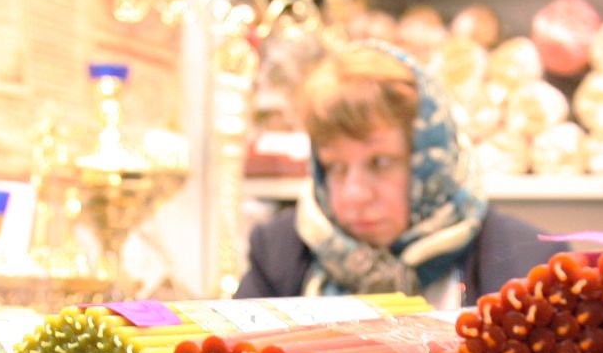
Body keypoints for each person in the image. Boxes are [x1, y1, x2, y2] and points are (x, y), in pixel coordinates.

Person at [236, 43, 551, 306]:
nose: (354, 194)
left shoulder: (526, 267)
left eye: (380, 162)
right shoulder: (279, 254)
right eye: (335, 167)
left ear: (431, 162)